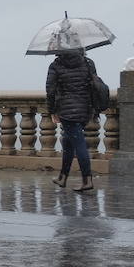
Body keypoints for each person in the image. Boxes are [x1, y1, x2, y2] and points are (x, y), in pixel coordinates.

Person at [46, 51, 97, 193]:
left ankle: (87, 180)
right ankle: (63, 177)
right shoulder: (88, 63)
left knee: (79, 144)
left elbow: (50, 90)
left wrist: (51, 110)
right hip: (85, 109)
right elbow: (93, 85)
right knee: (68, 141)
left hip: (67, 111)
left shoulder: (56, 65)